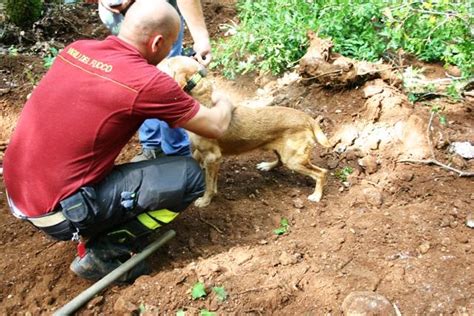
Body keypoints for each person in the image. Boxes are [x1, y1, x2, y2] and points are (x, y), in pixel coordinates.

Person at [3, 0, 233, 282]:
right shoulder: (147, 82)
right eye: (170, 46)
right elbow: (217, 126)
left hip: (20, 192)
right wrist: (222, 98)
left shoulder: (77, 49)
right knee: (190, 176)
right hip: (59, 212)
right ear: (158, 42)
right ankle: (106, 250)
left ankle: (96, 219)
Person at [99, 0, 211, 160]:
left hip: (157, 17)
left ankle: (177, 153)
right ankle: (153, 145)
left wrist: (200, 37)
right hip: (121, 18)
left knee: (165, 79)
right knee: (138, 76)